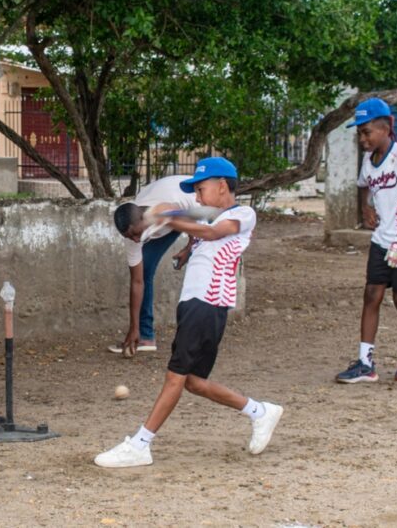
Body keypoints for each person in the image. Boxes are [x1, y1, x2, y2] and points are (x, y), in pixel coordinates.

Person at [95, 157, 283, 468]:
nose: (196, 196)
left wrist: (167, 218)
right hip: (195, 304)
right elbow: (198, 227)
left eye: (200, 189)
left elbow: (210, 233)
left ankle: (141, 444)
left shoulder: (241, 214)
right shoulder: (209, 215)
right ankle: (260, 412)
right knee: (194, 382)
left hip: (207, 304)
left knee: (175, 377)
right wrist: (177, 234)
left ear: (223, 186)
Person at [336, 98, 397, 384]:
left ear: (385, 127)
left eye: (367, 132)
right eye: (360, 134)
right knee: (371, 295)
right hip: (381, 240)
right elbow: (365, 185)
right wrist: (366, 207)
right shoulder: (369, 160)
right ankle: (365, 363)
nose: (363, 139)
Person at [109, 176, 198, 355]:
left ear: (144, 218)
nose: (135, 240)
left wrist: (189, 248)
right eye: (129, 237)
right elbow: (137, 282)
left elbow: (197, 220)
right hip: (165, 223)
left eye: (136, 234)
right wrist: (133, 327)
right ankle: (144, 336)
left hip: (195, 210)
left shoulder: (167, 208)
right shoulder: (132, 234)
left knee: (201, 262)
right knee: (145, 271)